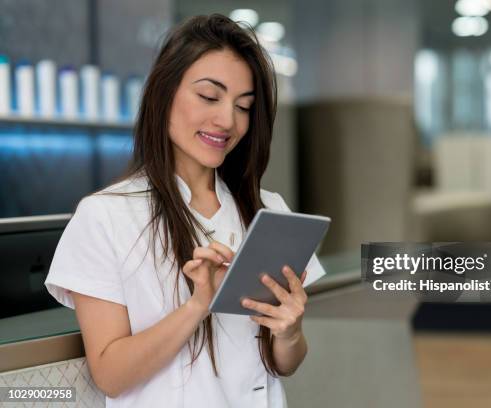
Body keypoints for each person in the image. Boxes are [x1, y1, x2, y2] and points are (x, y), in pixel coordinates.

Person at [44, 14, 325, 408]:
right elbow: (110, 375)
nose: (228, 120)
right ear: (165, 92)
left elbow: (283, 365)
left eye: (243, 106)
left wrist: (290, 332)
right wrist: (197, 305)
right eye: (209, 97)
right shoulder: (104, 216)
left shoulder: (268, 209)